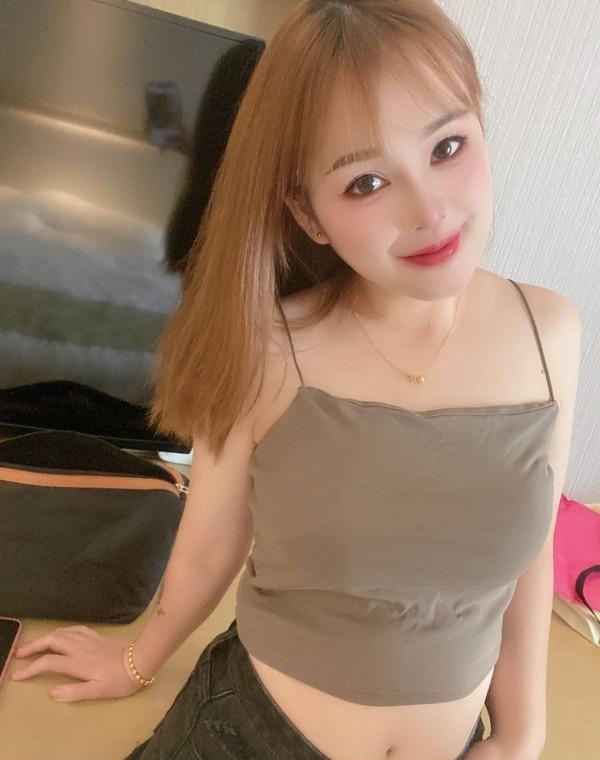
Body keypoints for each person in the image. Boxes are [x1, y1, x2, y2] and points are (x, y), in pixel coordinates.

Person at [11, 1, 581, 759]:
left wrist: (520, 736)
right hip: (251, 738)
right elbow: (211, 547)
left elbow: (531, 546)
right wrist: (135, 661)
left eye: (447, 146)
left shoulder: (550, 333)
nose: (429, 210)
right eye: (365, 182)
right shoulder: (269, 349)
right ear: (309, 216)